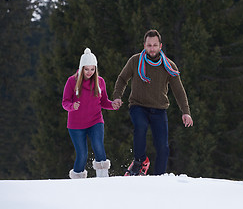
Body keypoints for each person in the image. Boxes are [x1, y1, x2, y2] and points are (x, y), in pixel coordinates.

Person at [113, 29, 193, 176]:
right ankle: (139, 162)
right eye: (149, 45)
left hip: (159, 109)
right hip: (138, 106)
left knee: (163, 147)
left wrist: (186, 112)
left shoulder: (169, 66)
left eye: (155, 45)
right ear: (144, 45)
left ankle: (159, 177)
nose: (152, 49)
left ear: (160, 46)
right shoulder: (135, 61)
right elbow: (122, 79)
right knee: (140, 126)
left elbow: (179, 91)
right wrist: (118, 96)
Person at [62, 48, 121, 179]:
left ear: (96, 69)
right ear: (81, 68)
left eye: (92, 69)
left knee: (98, 146)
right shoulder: (72, 81)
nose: (89, 72)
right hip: (76, 125)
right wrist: (72, 106)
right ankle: (77, 180)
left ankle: (103, 179)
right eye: (86, 69)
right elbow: (64, 102)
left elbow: (103, 101)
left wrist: (113, 105)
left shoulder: (100, 82)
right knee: (82, 154)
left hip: (95, 121)